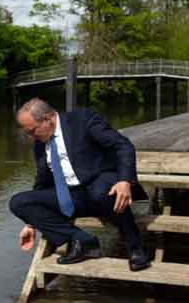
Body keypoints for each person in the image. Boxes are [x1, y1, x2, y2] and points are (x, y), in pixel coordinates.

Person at [9, 98, 150, 271]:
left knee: (99, 192)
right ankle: (83, 240)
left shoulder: (83, 120)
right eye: (28, 133)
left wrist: (125, 181)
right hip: (72, 197)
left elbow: (123, 146)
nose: (31, 137)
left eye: (32, 131)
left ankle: (135, 248)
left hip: (103, 187)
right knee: (18, 202)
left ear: (48, 119)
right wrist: (31, 223)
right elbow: (42, 182)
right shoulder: (40, 145)